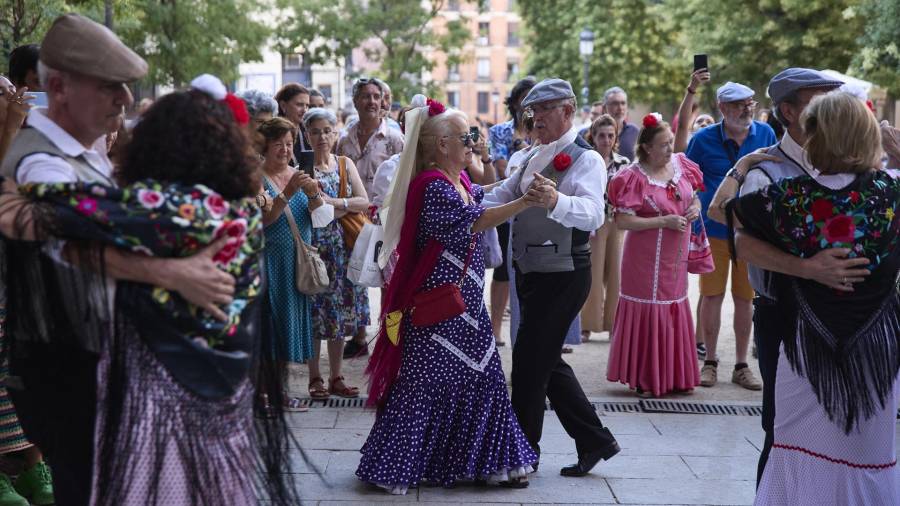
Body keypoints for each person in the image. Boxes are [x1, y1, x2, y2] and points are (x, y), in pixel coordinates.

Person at [0, 69, 302, 504]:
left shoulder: (165, 209)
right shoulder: (237, 210)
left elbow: (33, 212)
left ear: (160, 146)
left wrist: (20, 139)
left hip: (163, 410)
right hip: (225, 405)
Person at [358, 99, 538, 493]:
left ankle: (489, 464)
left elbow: (481, 196)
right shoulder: (432, 186)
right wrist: (524, 203)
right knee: (425, 382)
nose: (473, 141)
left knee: (482, 374)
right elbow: (477, 218)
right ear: (441, 144)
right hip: (439, 304)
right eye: (466, 136)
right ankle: (397, 465)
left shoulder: (456, 180)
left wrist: (520, 182)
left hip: (465, 301)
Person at [732, 92, 900, 505]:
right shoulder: (890, 194)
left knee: (799, 454)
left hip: (806, 354)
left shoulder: (792, 198)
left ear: (816, 137)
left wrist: (744, 166)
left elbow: (731, 226)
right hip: (875, 359)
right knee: (868, 460)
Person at [704, 68, 847, 485]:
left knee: (833, 428)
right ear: (789, 110)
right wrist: (807, 268)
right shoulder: (771, 168)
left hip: (837, 315)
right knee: (781, 430)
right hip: (784, 314)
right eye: (819, 102)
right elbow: (736, 234)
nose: (832, 111)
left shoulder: (843, 162)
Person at [484, 78, 620, 476]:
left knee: (527, 365)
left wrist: (556, 200)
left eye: (543, 110)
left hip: (564, 273)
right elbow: (505, 193)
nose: (535, 118)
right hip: (532, 271)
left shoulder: (587, 158)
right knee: (545, 361)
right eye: (532, 111)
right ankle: (596, 441)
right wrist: (463, 195)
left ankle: (523, 454)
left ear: (567, 111)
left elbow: (594, 213)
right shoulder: (532, 155)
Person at [686, 81, 776, 390]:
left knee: (745, 298)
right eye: (738, 104)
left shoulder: (766, 134)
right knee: (712, 296)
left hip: (751, 233)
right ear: (722, 109)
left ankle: (741, 365)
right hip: (712, 231)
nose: (746, 109)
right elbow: (688, 179)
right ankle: (709, 362)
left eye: (749, 103)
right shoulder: (701, 139)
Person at [605, 113, 703, 397]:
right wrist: (664, 221)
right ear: (647, 148)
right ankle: (646, 377)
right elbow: (622, 221)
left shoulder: (681, 166)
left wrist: (694, 207)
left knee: (674, 304)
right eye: (664, 145)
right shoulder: (632, 177)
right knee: (649, 308)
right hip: (643, 261)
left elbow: (693, 195)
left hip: (675, 260)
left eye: (671, 143)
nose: (670, 149)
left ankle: (674, 376)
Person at [256, 116, 332, 411]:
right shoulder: (256, 177)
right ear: (265, 146)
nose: (286, 150)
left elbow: (321, 220)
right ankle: (267, 393)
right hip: (270, 262)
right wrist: (287, 194)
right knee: (270, 329)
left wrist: (314, 196)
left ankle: (278, 391)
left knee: (287, 330)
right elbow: (264, 219)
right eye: (279, 144)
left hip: (296, 265)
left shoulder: (299, 173)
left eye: (289, 144)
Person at [302, 108, 369, 398]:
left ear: (335, 133)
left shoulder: (344, 163)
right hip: (313, 248)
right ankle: (315, 377)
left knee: (340, 314)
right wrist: (340, 206)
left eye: (327, 131)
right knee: (314, 312)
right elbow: (303, 206)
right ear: (306, 135)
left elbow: (363, 201)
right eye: (315, 131)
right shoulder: (300, 166)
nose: (321, 137)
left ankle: (336, 376)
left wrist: (333, 201)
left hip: (343, 248)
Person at [337, 77, 403, 358]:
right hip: (352, 218)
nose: (373, 102)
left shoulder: (394, 138)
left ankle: (391, 339)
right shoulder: (344, 138)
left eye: (377, 96)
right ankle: (360, 335)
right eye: (366, 96)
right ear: (355, 101)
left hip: (386, 219)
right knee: (354, 274)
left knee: (390, 283)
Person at [487, 77, 535, 346]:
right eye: (524, 98)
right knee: (503, 270)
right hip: (508, 204)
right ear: (515, 101)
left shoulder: (544, 129)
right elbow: (505, 170)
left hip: (535, 206)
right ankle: (495, 328)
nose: (529, 104)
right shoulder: (500, 132)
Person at [580, 114, 630, 341]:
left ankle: (614, 324)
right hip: (594, 223)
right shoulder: (586, 160)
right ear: (594, 136)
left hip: (617, 222)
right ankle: (587, 324)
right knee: (593, 272)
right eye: (602, 135)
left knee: (616, 274)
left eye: (611, 135)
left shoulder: (624, 163)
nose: (606, 140)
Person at [674, 68, 710, 153]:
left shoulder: (721, 149)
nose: (704, 124)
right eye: (699, 121)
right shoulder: (685, 149)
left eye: (709, 122)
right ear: (692, 129)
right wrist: (692, 87)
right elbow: (682, 125)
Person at [274, 82, 313, 159]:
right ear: (283, 105)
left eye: (307, 106)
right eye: (299, 105)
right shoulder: (273, 133)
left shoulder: (308, 130)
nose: (305, 110)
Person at [602, 87, 639, 161]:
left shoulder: (634, 131)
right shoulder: (592, 132)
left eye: (623, 103)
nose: (620, 108)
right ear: (605, 108)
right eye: (615, 103)